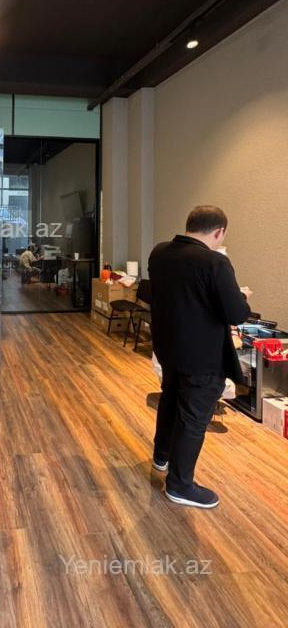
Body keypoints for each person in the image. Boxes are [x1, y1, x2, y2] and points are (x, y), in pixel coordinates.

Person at [148, 205, 252, 509]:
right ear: (219, 232)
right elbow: (236, 313)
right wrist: (242, 297)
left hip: (169, 348)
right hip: (201, 357)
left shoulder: (160, 253)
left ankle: (162, 457)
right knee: (193, 418)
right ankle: (180, 485)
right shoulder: (215, 262)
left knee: (170, 400)